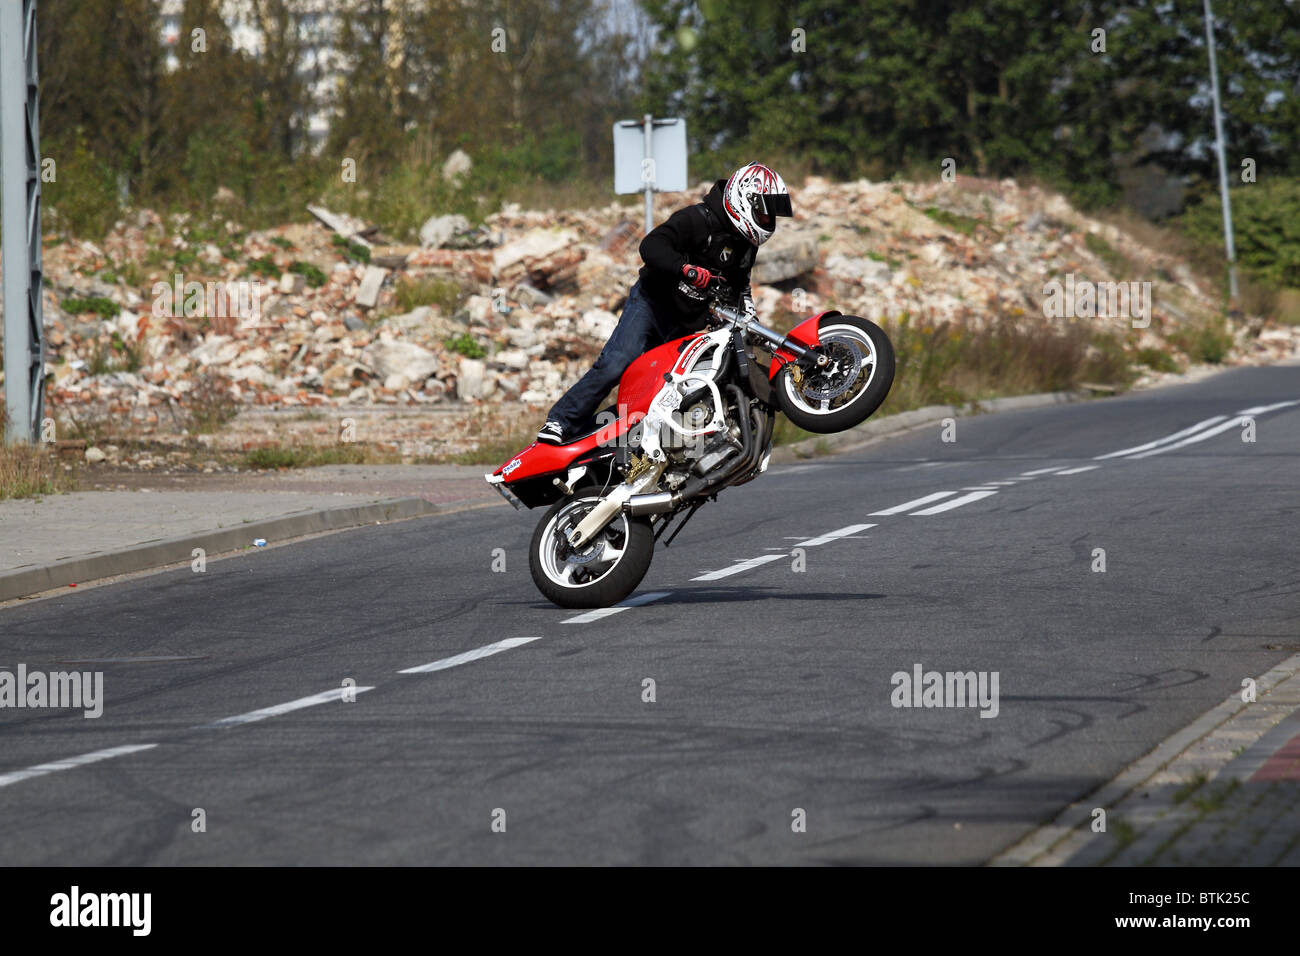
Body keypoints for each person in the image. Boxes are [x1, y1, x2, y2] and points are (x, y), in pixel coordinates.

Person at [536, 162, 793, 445]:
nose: (767, 220)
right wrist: (685, 269)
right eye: (763, 212)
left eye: (770, 215)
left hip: (686, 323)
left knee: (662, 392)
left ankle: (598, 436)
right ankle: (560, 421)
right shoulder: (698, 219)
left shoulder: (746, 244)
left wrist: (750, 320)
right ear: (743, 199)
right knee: (616, 363)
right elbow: (650, 246)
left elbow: (740, 285)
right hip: (651, 304)